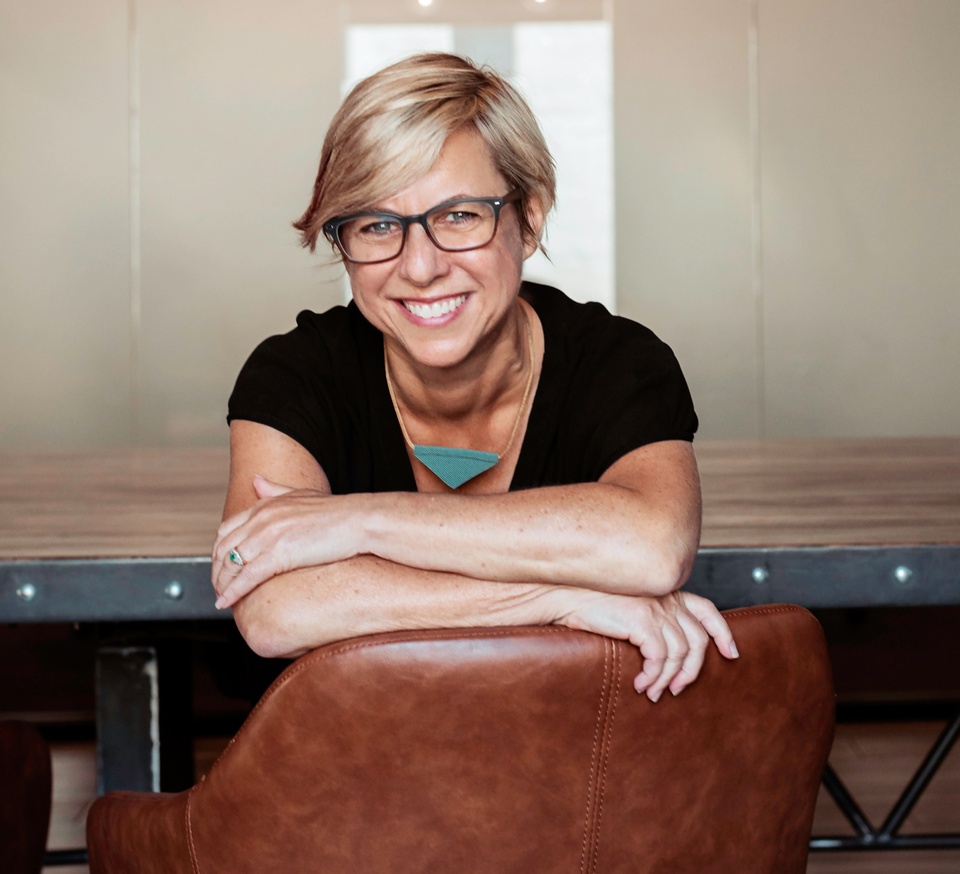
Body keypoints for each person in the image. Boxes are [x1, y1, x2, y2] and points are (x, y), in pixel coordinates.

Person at [211, 52, 738, 704]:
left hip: (576, 773)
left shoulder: (618, 361)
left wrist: (360, 523)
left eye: (460, 215)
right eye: (377, 226)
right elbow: (273, 608)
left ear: (531, 216)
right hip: (360, 776)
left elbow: (653, 549)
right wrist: (559, 596)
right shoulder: (296, 374)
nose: (421, 266)